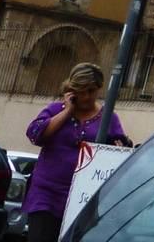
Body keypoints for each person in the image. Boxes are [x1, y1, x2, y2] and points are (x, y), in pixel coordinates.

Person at [23, 62, 131, 242]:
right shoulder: (56, 110)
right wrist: (67, 111)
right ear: (72, 90)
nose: (87, 96)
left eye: (92, 90)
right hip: (46, 195)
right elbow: (35, 135)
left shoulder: (108, 118)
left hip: (83, 200)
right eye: (81, 91)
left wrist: (121, 148)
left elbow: (120, 148)